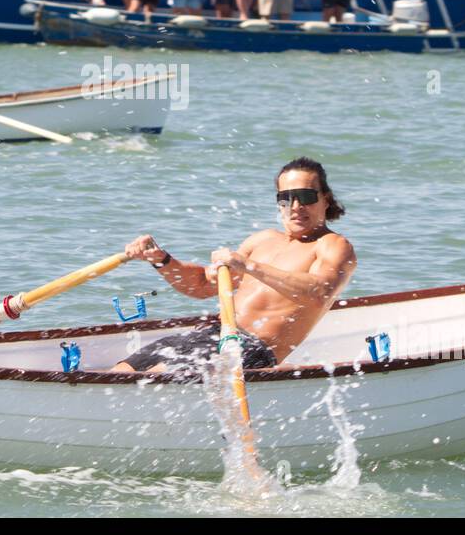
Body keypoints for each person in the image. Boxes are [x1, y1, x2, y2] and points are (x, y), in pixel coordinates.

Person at [112, 157, 357, 376]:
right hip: (209, 334)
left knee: (158, 376)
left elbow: (320, 291)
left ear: (325, 199)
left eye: (305, 197)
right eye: (286, 198)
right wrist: (161, 260)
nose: (295, 207)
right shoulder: (262, 240)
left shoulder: (332, 245)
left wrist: (248, 265)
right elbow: (201, 286)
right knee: (121, 372)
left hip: (252, 349)